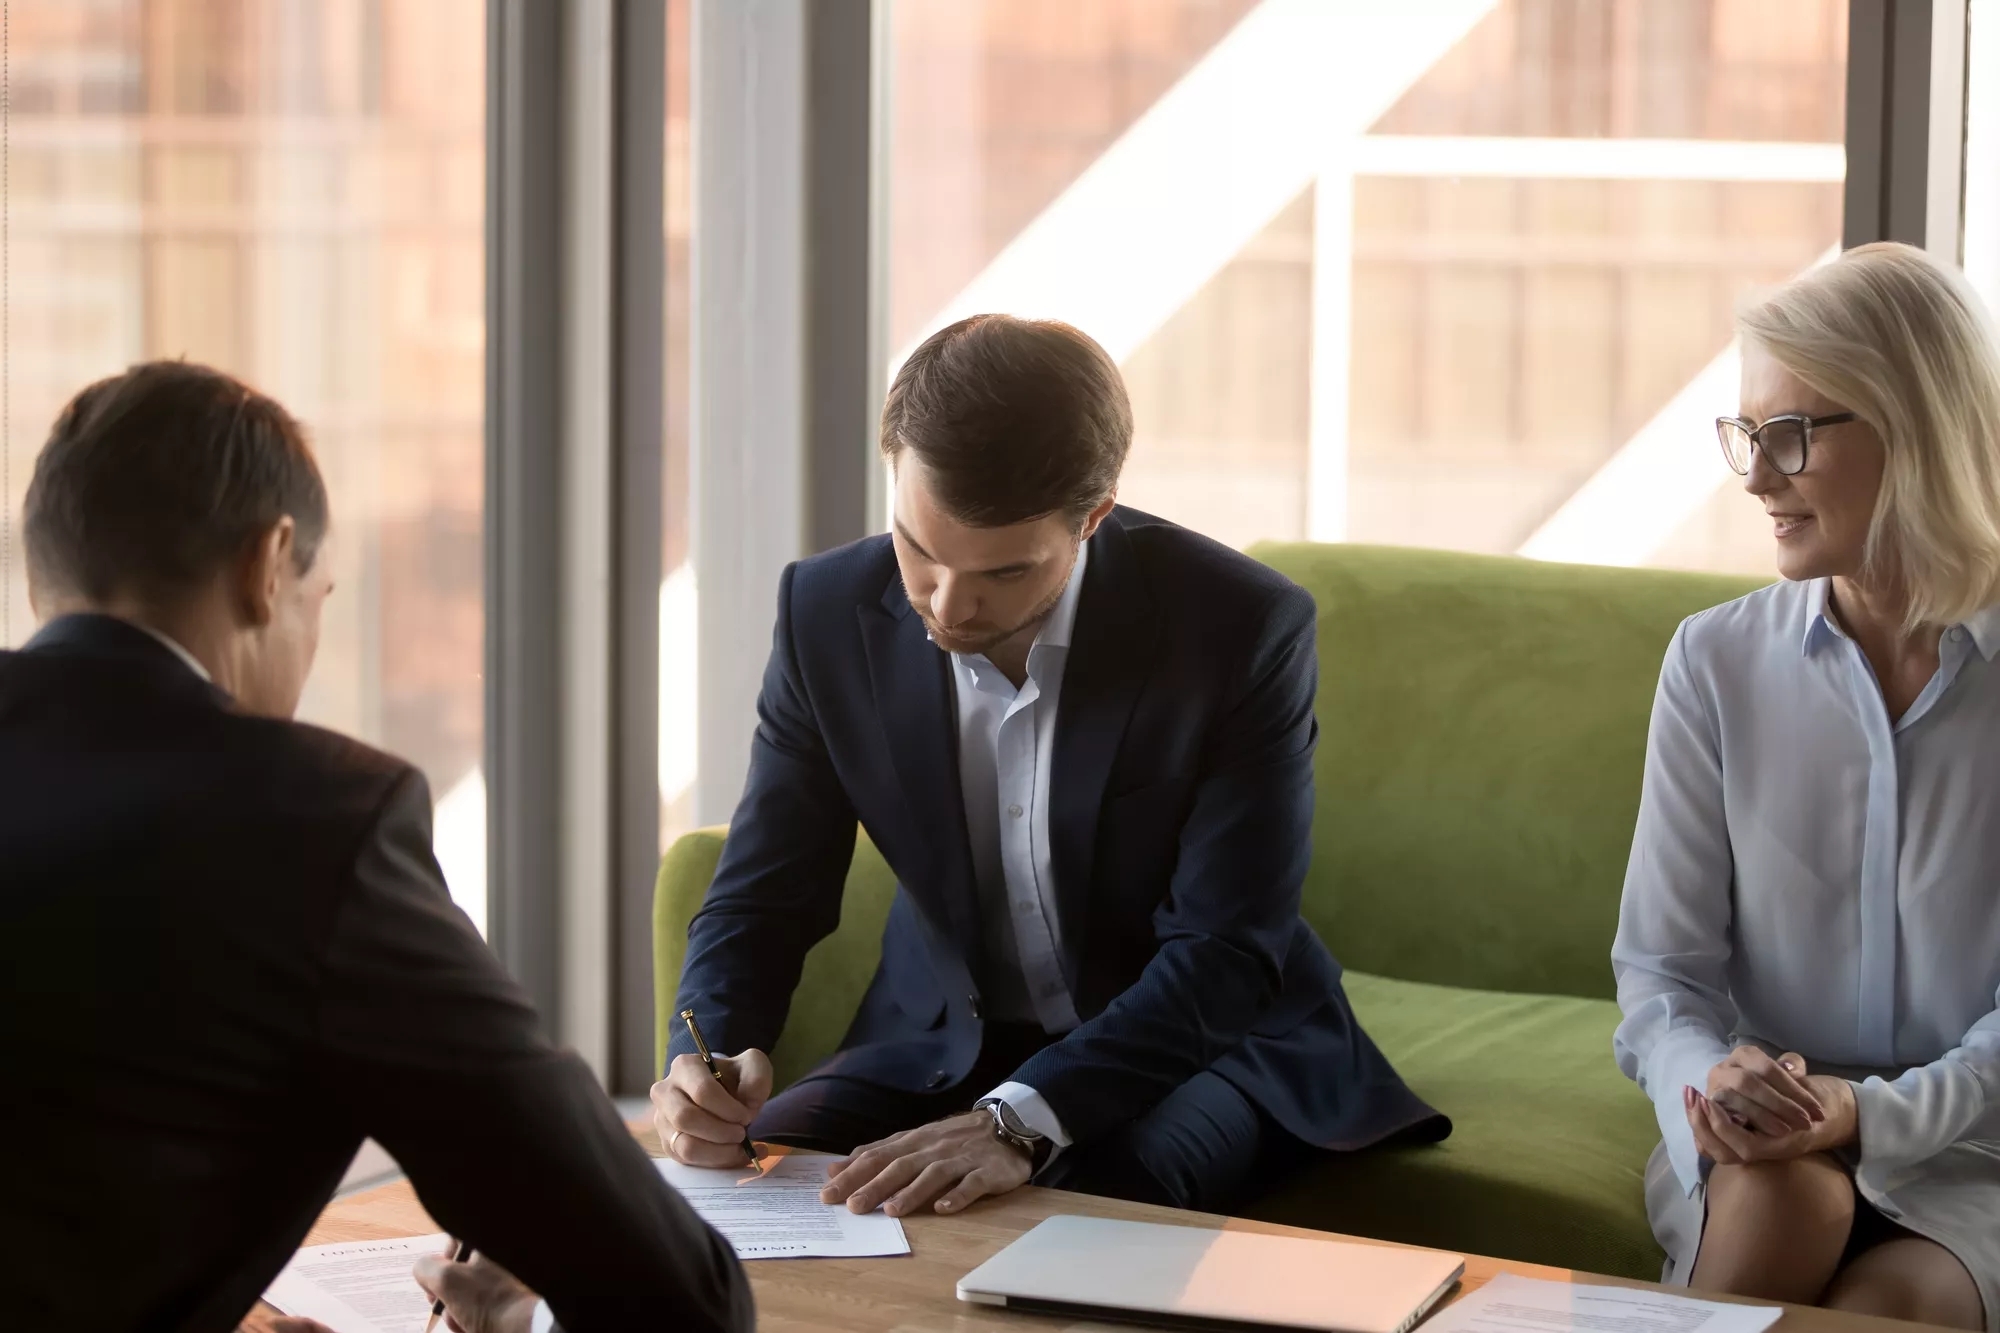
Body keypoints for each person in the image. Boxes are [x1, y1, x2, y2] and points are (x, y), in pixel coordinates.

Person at [0, 362, 752, 1333]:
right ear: (268, 566)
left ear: (39, 571)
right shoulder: (305, 817)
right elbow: (677, 1299)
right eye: (321, 593)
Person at [654, 314, 1445, 1221]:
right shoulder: (827, 613)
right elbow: (765, 891)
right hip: (938, 1043)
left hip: (1199, 1048)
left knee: (1092, 1211)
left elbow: (1225, 950)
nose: (947, 605)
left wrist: (1018, 1120)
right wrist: (705, 1055)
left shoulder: (1237, 629)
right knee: (734, 1201)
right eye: (919, 549)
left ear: (1094, 517)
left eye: (1003, 572)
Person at [1612, 242, 2000, 1332]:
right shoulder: (1712, 663)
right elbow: (1658, 973)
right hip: (1757, 1151)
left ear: (1912, 430)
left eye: (1788, 435)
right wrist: (1716, 1089)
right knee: (1782, 1204)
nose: (1752, 475)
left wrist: (1861, 1113)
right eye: (1747, 433)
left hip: (1976, 1154)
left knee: (1899, 1303)